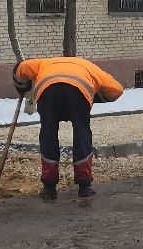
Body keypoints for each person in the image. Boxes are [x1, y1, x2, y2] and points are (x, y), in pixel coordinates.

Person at [12, 56, 125, 200]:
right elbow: (117, 90)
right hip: (78, 93)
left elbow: (19, 68)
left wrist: (23, 87)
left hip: (48, 92)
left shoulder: (44, 63)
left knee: (48, 134)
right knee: (82, 134)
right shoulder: (89, 66)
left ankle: (49, 187)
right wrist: (93, 97)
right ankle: (85, 185)